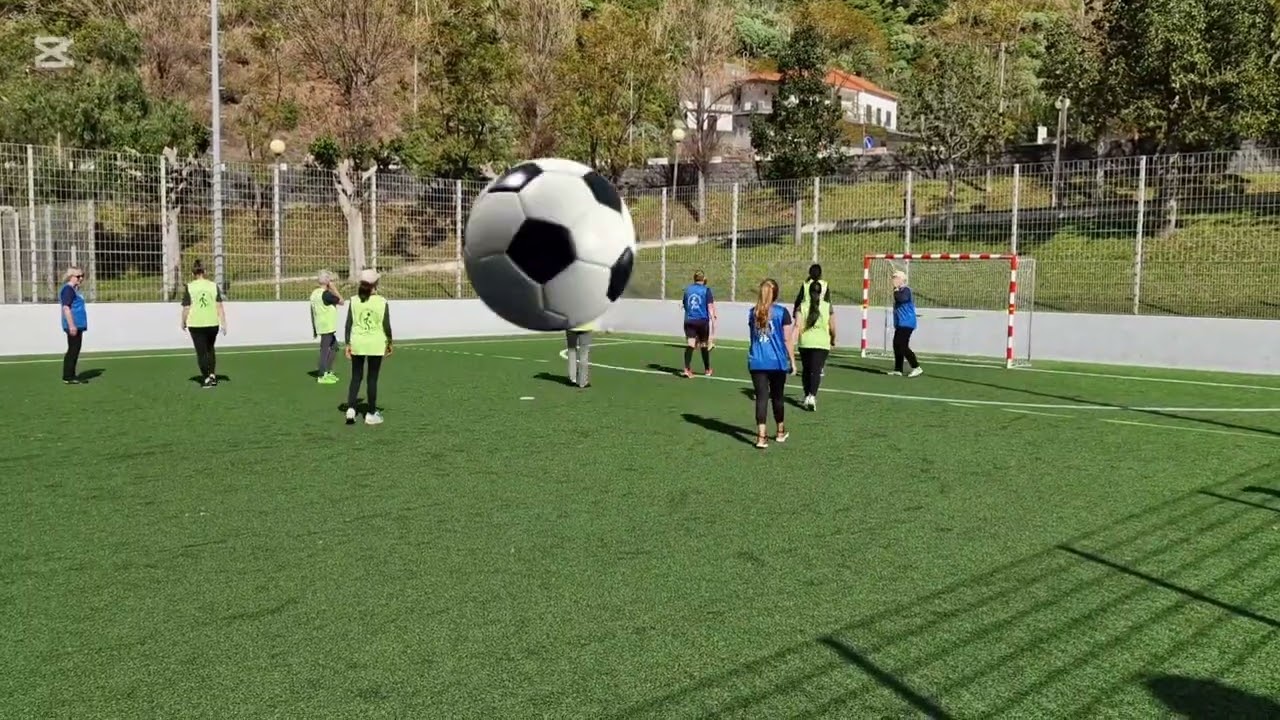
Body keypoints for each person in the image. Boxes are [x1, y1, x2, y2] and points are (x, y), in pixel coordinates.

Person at [746, 278, 796, 449]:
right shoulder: (782, 313)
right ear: (776, 294)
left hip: (757, 361)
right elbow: (787, 339)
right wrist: (793, 361)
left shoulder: (753, 312)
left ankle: (761, 437)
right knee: (778, 396)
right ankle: (780, 432)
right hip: (776, 361)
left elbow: (753, 338)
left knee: (761, 398)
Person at [344, 268, 393, 425]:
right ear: (376, 284)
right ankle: (371, 413)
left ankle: (351, 408)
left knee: (356, 377)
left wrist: (347, 343)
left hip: (358, 343)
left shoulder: (353, 300)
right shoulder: (382, 302)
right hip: (376, 344)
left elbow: (348, 324)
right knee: (372, 379)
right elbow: (386, 325)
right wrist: (390, 342)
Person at [181, 260, 227, 388]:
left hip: (196, 324)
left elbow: (186, 307)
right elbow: (219, 306)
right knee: (210, 349)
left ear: (192, 273)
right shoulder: (213, 286)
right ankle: (212, 375)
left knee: (201, 352)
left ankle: (206, 378)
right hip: (212, 322)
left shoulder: (190, 287)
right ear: (205, 272)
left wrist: (183, 321)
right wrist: (223, 322)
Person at [794, 273, 836, 410]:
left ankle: (807, 395)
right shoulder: (827, 306)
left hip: (806, 343)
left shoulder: (802, 306)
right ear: (821, 292)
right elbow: (833, 326)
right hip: (822, 344)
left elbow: (798, 326)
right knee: (816, 371)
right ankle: (812, 396)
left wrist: (798, 338)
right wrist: (833, 338)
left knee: (806, 370)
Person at [310, 269, 344, 384]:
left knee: (334, 347)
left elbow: (312, 310)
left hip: (321, 324)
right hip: (327, 326)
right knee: (325, 350)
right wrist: (334, 289)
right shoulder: (326, 294)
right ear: (327, 281)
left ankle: (327, 371)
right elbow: (341, 301)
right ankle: (322, 375)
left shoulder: (315, 293)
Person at [680, 270, 716, 377]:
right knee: (704, 345)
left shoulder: (687, 290)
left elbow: (685, 305)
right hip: (702, 321)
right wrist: (713, 321)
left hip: (689, 320)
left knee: (691, 344)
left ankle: (687, 368)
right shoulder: (706, 290)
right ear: (703, 278)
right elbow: (710, 307)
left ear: (694, 278)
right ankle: (707, 369)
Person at [890, 270, 923, 377]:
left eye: (896, 278)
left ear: (902, 279)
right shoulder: (898, 290)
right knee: (896, 345)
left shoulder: (906, 290)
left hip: (907, 323)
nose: (893, 280)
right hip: (900, 323)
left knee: (902, 345)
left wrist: (895, 290)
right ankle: (898, 369)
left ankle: (916, 367)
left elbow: (901, 298)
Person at [58, 266, 87, 385]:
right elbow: (66, 308)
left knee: (75, 349)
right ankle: (68, 376)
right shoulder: (68, 289)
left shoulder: (75, 290)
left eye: (82, 276)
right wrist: (71, 325)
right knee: (73, 350)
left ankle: (71, 374)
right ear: (71, 277)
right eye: (78, 276)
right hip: (73, 325)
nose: (81, 278)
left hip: (78, 324)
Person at [565, 318, 598, 388]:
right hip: (586, 326)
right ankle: (582, 382)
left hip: (571, 326)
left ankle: (572, 378)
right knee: (584, 354)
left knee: (572, 351)